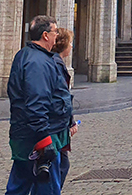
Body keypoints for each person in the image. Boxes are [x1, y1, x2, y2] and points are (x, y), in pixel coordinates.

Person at [5, 15, 72, 195]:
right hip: (38, 136)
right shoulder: (37, 62)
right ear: (45, 35)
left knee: (19, 185)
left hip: (26, 133)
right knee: (45, 188)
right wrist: (44, 139)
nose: (57, 36)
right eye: (55, 32)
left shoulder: (27, 55)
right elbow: (37, 101)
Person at [52, 28, 78, 186]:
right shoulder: (56, 64)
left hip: (57, 124)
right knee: (60, 166)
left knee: (61, 164)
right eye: (70, 43)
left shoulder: (56, 63)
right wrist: (70, 122)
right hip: (55, 126)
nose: (71, 47)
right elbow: (61, 98)